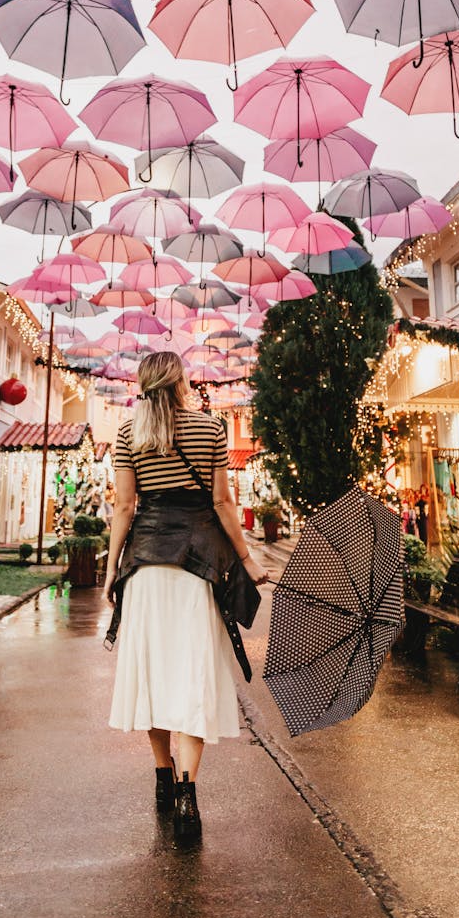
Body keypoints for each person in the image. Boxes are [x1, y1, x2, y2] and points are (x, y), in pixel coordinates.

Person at [104, 351, 267, 845]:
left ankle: (161, 771)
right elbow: (220, 502)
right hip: (197, 568)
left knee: (153, 674)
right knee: (192, 675)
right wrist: (248, 558)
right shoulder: (210, 431)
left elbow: (125, 506)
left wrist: (113, 568)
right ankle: (187, 792)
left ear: (142, 385)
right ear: (180, 383)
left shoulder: (129, 433)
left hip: (147, 566)